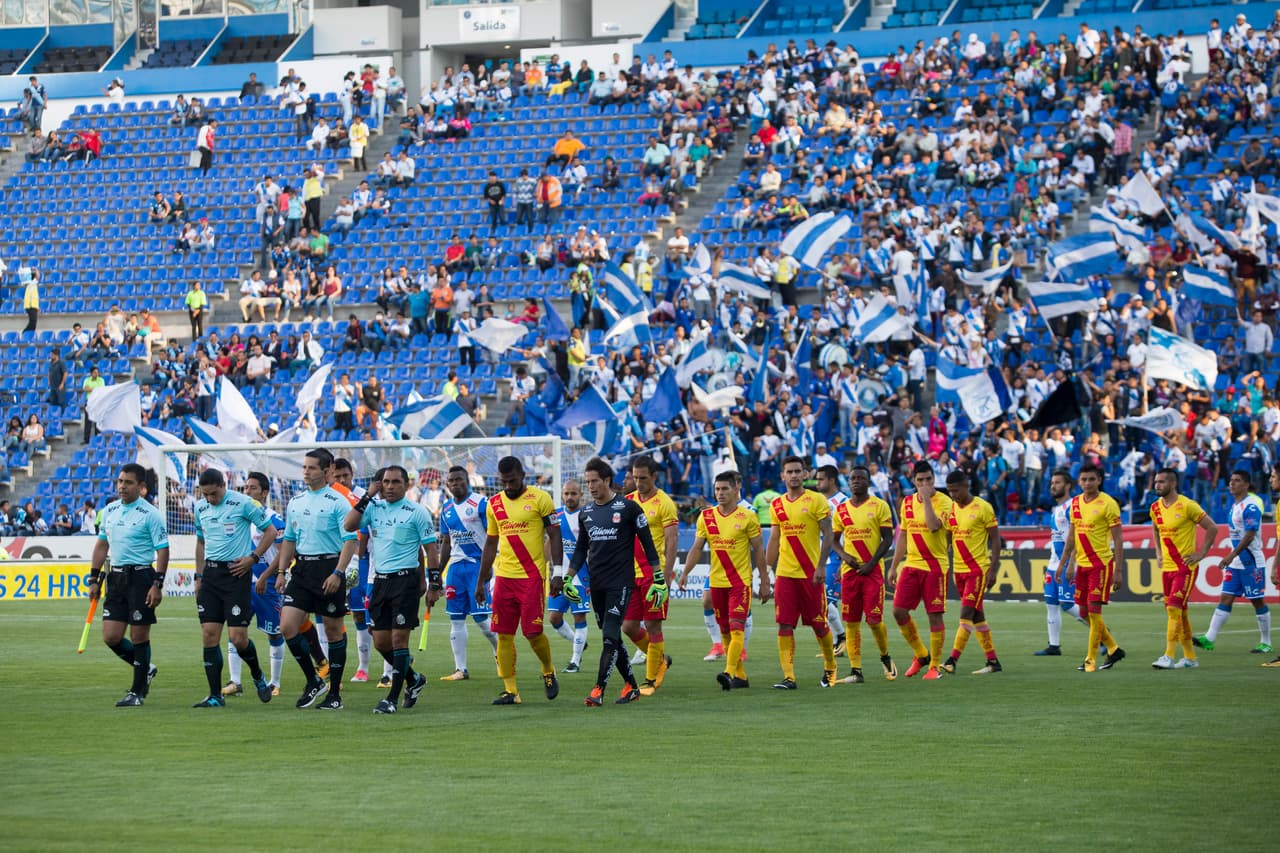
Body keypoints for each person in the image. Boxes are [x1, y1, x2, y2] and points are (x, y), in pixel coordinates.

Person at [557, 457, 661, 706]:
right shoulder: (586, 513)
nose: (591, 486)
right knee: (612, 637)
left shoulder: (629, 508)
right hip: (597, 584)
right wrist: (567, 577)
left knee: (609, 636)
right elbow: (581, 549)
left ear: (607, 480)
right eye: (587, 482)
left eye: (594, 481)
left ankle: (598, 690)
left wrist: (658, 577)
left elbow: (648, 544)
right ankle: (632, 686)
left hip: (621, 583)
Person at [264, 449, 358, 709]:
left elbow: (350, 541)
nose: (306, 472)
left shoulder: (339, 502)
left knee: (333, 631)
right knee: (287, 626)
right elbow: (289, 540)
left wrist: (338, 573)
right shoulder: (296, 502)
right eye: (304, 467)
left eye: (312, 467)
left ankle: (334, 694)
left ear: (327, 471)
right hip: (302, 570)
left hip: (329, 567)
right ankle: (313, 680)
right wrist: (281, 572)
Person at [344, 466, 438, 714]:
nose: (390, 486)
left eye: (396, 482)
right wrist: (367, 495)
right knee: (380, 641)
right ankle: (414, 679)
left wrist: (434, 584)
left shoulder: (417, 512)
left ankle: (392, 699)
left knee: (398, 640)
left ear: (406, 485)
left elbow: (430, 549)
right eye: (386, 482)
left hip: (405, 582)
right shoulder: (373, 508)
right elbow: (348, 525)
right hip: (380, 581)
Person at [476, 456, 564, 705]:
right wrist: (481, 580)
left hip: (531, 577)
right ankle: (511, 691)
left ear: (523, 475)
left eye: (512, 481)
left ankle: (548, 669)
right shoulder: (494, 504)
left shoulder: (541, 499)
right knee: (503, 635)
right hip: (504, 578)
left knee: (533, 633)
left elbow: (555, 535)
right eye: (503, 482)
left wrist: (557, 572)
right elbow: (490, 543)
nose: (508, 486)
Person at [190, 468, 278, 707]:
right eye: (205, 494)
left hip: (236, 575)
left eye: (214, 494)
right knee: (209, 635)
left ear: (224, 485)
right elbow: (200, 542)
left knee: (238, 638)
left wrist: (253, 558)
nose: (210, 499)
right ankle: (215, 696)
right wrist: (199, 576)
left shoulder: (244, 503)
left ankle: (258, 675)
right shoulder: (200, 508)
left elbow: (271, 532)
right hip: (211, 576)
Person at [679, 470, 770, 690]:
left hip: (740, 582)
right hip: (717, 582)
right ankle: (741, 676)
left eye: (725, 489)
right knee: (726, 630)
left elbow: (759, 550)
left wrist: (765, 580)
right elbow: (697, 548)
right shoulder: (706, 517)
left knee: (737, 626)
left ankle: (728, 672)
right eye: (717, 489)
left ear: (735, 489)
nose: (720, 493)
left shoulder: (748, 516)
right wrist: (685, 572)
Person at [87, 464, 169, 706]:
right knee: (111, 636)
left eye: (128, 482)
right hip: (116, 578)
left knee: (139, 635)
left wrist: (157, 584)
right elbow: (102, 546)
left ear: (141, 487)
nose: (122, 486)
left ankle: (137, 692)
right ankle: (147, 668)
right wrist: (93, 579)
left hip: (141, 578)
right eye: (120, 481)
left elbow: (163, 550)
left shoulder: (150, 514)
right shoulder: (109, 511)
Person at [766, 456, 838, 690]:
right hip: (785, 573)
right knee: (784, 625)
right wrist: (766, 570)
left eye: (798, 471)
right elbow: (774, 538)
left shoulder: (817, 500)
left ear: (805, 474)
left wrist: (821, 566)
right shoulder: (777, 504)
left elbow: (828, 534)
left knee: (818, 624)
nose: (794, 475)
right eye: (790, 472)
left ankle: (830, 665)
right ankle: (789, 677)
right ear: (783, 476)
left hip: (811, 573)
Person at [1195, 470, 1273, 656]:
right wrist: (1233, 557)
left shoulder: (1250, 506)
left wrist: (1232, 554)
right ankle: (1209, 638)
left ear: (1246, 485)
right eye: (1231, 480)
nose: (1232, 484)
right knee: (1225, 597)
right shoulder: (1235, 505)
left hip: (1251, 560)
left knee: (1256, 600)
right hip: (1237, 561)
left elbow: (1250, 534)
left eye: (1237, 481)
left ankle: (1266, 642)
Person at [886, 460, 952, 680]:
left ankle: (935, 666)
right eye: (920, 480)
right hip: (912, 564)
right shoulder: (906, 503)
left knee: (934, 615)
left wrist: (927, 502)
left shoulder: (945, 501)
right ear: (913, 481)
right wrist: (894, 566)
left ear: (934, 479)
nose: (925, 484)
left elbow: (933, 526)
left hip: (935, 566)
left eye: (928, 479)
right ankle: (921, 654)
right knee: (898, 611)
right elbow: (903, 535)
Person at [830, 465, 896, 683]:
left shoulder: (880, 506)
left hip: (873, 572)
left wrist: (872, 562)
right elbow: (833, 540)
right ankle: (856, 670)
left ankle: (885, 657)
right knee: (851, 622)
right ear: (848, 483)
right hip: (850, 573)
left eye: (861, 478)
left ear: (868, 482)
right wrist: (844, 556)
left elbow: (887, 538)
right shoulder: (841, 510)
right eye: (853, 478)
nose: (856, 481)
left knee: (874, 621)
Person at [1059, 463, 1126, 673]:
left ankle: (1090, 659)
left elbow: (1118, 539)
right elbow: (1072, 537)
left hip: (1101, 565)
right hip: (1082, 565)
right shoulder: (1076, 503)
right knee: (1084, 613)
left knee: (1095, 614)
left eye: (1091, 479)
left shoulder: (1108, 503)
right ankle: (1114, 648)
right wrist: (1066, 563)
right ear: (1079, 481)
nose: (1087, 483)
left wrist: (1118, 570)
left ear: (1099, 481)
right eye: (1084, 479)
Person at [1148, 469, 1217, 670]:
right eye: (1156, 482)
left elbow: (1212, 528)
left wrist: (1201, 553)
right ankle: (1190, 658)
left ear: (1173, 483)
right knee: (1180, 613)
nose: (1157, 485)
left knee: (1173, 608)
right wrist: (1158, 552)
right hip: (1167, 567)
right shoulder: (1155, 507)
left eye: (1161, 482)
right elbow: (1155, 528)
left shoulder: (1188, 505)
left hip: (1185, 567)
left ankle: (1168, 656)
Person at [437, 465, 499, 680]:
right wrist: (438, 572)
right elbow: (447, 542)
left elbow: (493, 537)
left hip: (477, 566)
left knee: (482, 620)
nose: (455, 483)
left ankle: (499, 651)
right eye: (451, 480)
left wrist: (488, 567)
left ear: (467, 480)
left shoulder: (481, 503)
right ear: (447, 484)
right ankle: (460, 669)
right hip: (455, 569)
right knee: (456, 619)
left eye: (459, 479)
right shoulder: (446, 509)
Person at [625, 455, 680, 695]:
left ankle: (649, 680)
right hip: (630, 574)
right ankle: (660, 659)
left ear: (654, 476)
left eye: (643, 478)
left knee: (653, 624)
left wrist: (666, 576)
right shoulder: (628, 502)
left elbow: (672, 541)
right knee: (628, 626)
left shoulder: (664, 503)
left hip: (653, 574)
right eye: (635, 478)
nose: (638, 483)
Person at [940, 470, 1003, 675]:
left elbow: (996, 540)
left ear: (966, 486)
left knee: (965, 614)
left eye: (955, 491)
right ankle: (992, 661)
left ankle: (952, 660)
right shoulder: (951, 509)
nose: (953, 495)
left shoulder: (983, 507)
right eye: (949, 491)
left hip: (978, 570)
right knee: (977, 616)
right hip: (958, 570)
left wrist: (993, 569)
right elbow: (948, 536)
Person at [232, 472, 288, 696]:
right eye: (245, 488)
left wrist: (265, 576)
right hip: (243, 584)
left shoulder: (274, 520)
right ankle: (235, 681)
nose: (247, 492)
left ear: (265, 492)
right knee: (236, 631)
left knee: (274, 633)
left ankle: (275, 682)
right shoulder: (241, 518)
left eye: (253, 488)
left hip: (268, 585)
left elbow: (285, 553)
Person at [1035, 469, 1088, 656]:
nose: (1053, 486)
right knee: (1051, 603)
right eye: (1052, 483)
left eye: (1057, 482)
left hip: (1068, 563)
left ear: (1068, 486)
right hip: (1054, 564)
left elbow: (1077, 537)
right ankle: (1054, 645)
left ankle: (1102, 633)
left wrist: (1071, 562)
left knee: (1067, 604)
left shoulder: (1072, 506)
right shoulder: (1057, 509)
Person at [546, 479, 591, 674]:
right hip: (558, 575)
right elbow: (550, 541)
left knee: (579, 616)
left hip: (580, 575)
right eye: (566, 494)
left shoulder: (587, 515)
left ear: (580, 494)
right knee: (554, 618)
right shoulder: (555, 515)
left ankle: (575, 661)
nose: (570, 497)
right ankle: (579, 642)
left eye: (573, 493)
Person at [815, 464, 848, 657]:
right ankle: (838, 642)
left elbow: (848, 532)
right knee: (822, 602)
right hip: (820, 556)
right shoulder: (818, 501)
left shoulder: (843, 503)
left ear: (832, 480)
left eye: (821, 479)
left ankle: (841, 638)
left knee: (825, 601)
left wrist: (844, 558)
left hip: (836, 557)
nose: (817, 483)